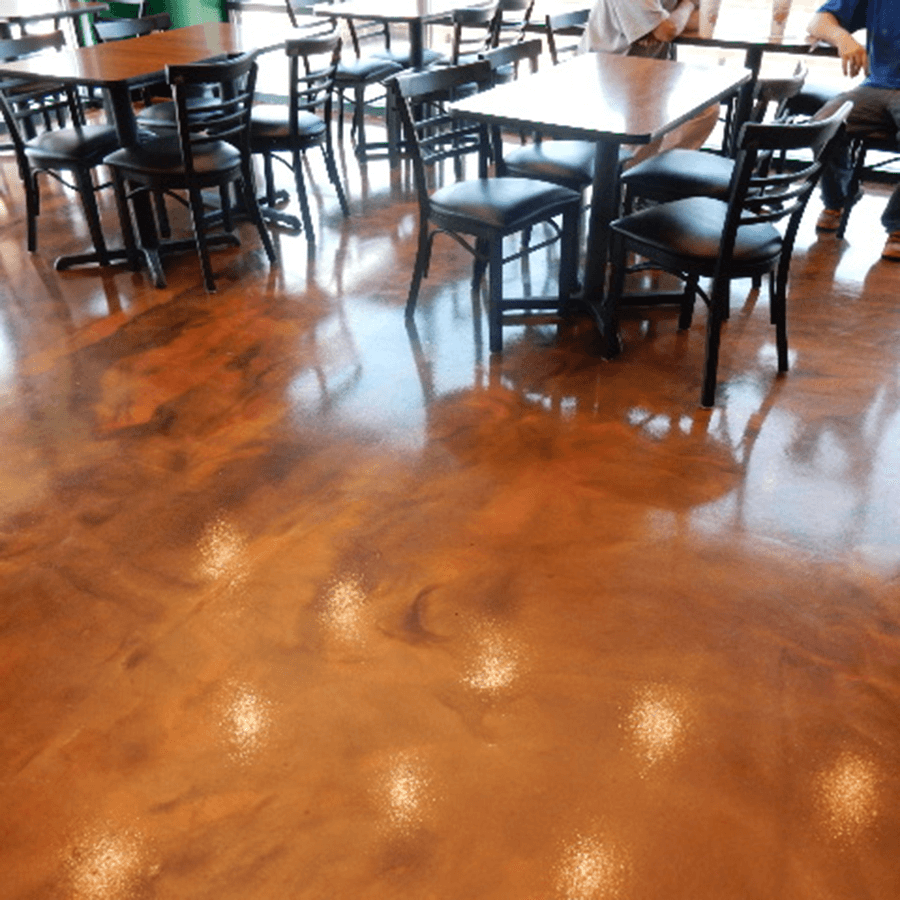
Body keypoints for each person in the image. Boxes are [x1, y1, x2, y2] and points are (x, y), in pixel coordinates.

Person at [808, 0, 900, 260]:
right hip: (875, 87)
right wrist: (842, 38)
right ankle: (840, 198)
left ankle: (897, 226)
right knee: (821, 126)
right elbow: (818, 20)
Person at [579, 0, 718, 162]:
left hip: (649, 72)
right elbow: (667, 32)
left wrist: (670, 23)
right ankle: (632, 174)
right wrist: (686, 7)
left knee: (707, 109)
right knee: (651, 123)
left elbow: (702, 29)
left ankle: (650, 171)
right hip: (607, 73)